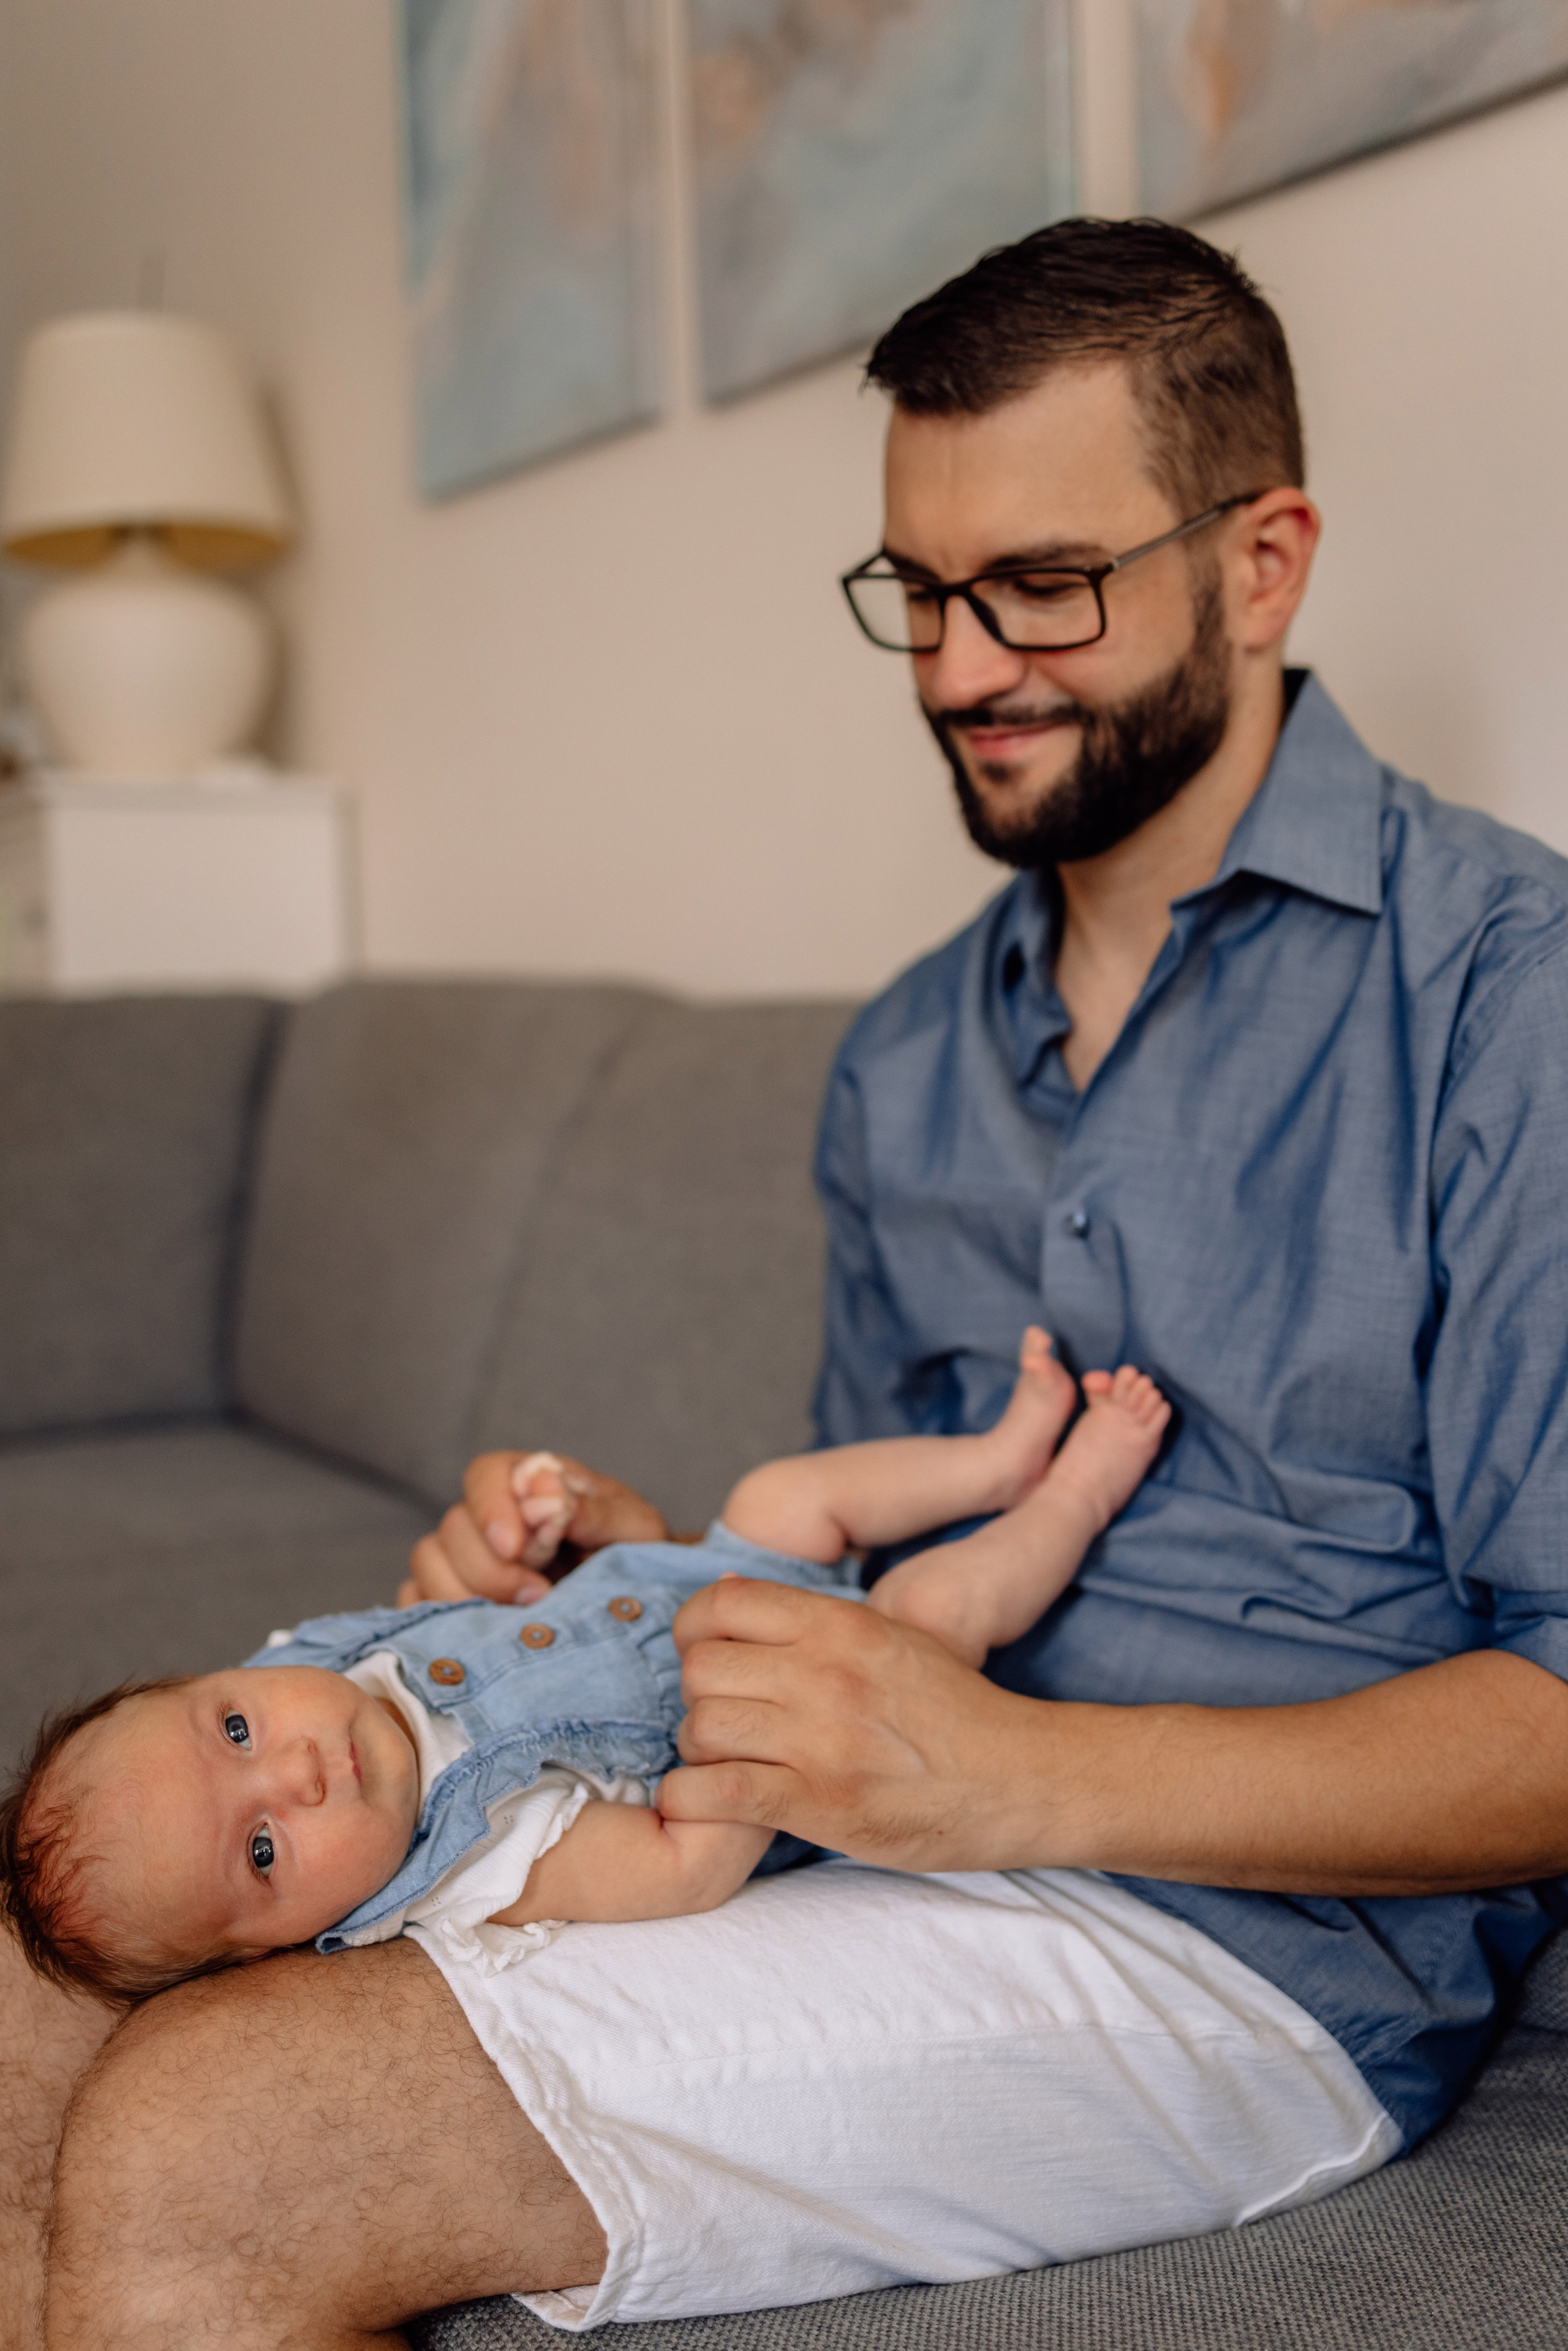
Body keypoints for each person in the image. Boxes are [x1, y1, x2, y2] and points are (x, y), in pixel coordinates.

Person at [16, 214, 1568, 2349]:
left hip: (1245, 1945)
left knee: (219, 2139)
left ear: (1265, 560)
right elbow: (861, 1570)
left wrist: (1019, 1775)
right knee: (40, 1972)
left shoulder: (1509, 1000)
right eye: (920, 593)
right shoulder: (910, 1057)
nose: (955, 668)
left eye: (1040, 585)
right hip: (863, 1840)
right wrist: (635, 1596)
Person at [1, 1342, 1165, 1999]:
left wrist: (536, 1533)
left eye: (236, 1731)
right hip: (797, 1709)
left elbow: (489, 1620)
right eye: (262, 1851)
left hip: (686, 1578)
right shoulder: (474, 1866)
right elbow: (677, 1866)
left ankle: (998, 1456)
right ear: (278, 1950)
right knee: (924, 1609)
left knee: (779, 1497)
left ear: (223, 1677)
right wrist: (757, 1747)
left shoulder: (313, 1668)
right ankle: (1077, 1491)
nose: (298, 1771)